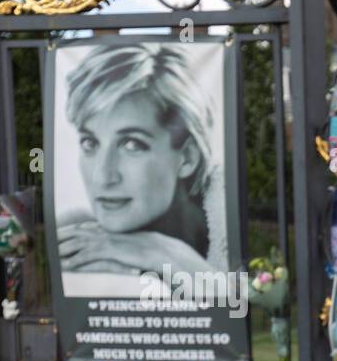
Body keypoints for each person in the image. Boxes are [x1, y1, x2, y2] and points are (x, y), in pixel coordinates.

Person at [56, 43, 223, 287]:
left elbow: (237, 315)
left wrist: (167, 255)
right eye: (90, 143)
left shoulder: (232, 228)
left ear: (187, 157)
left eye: (132, 144)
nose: (102, 177)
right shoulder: (77, 241)